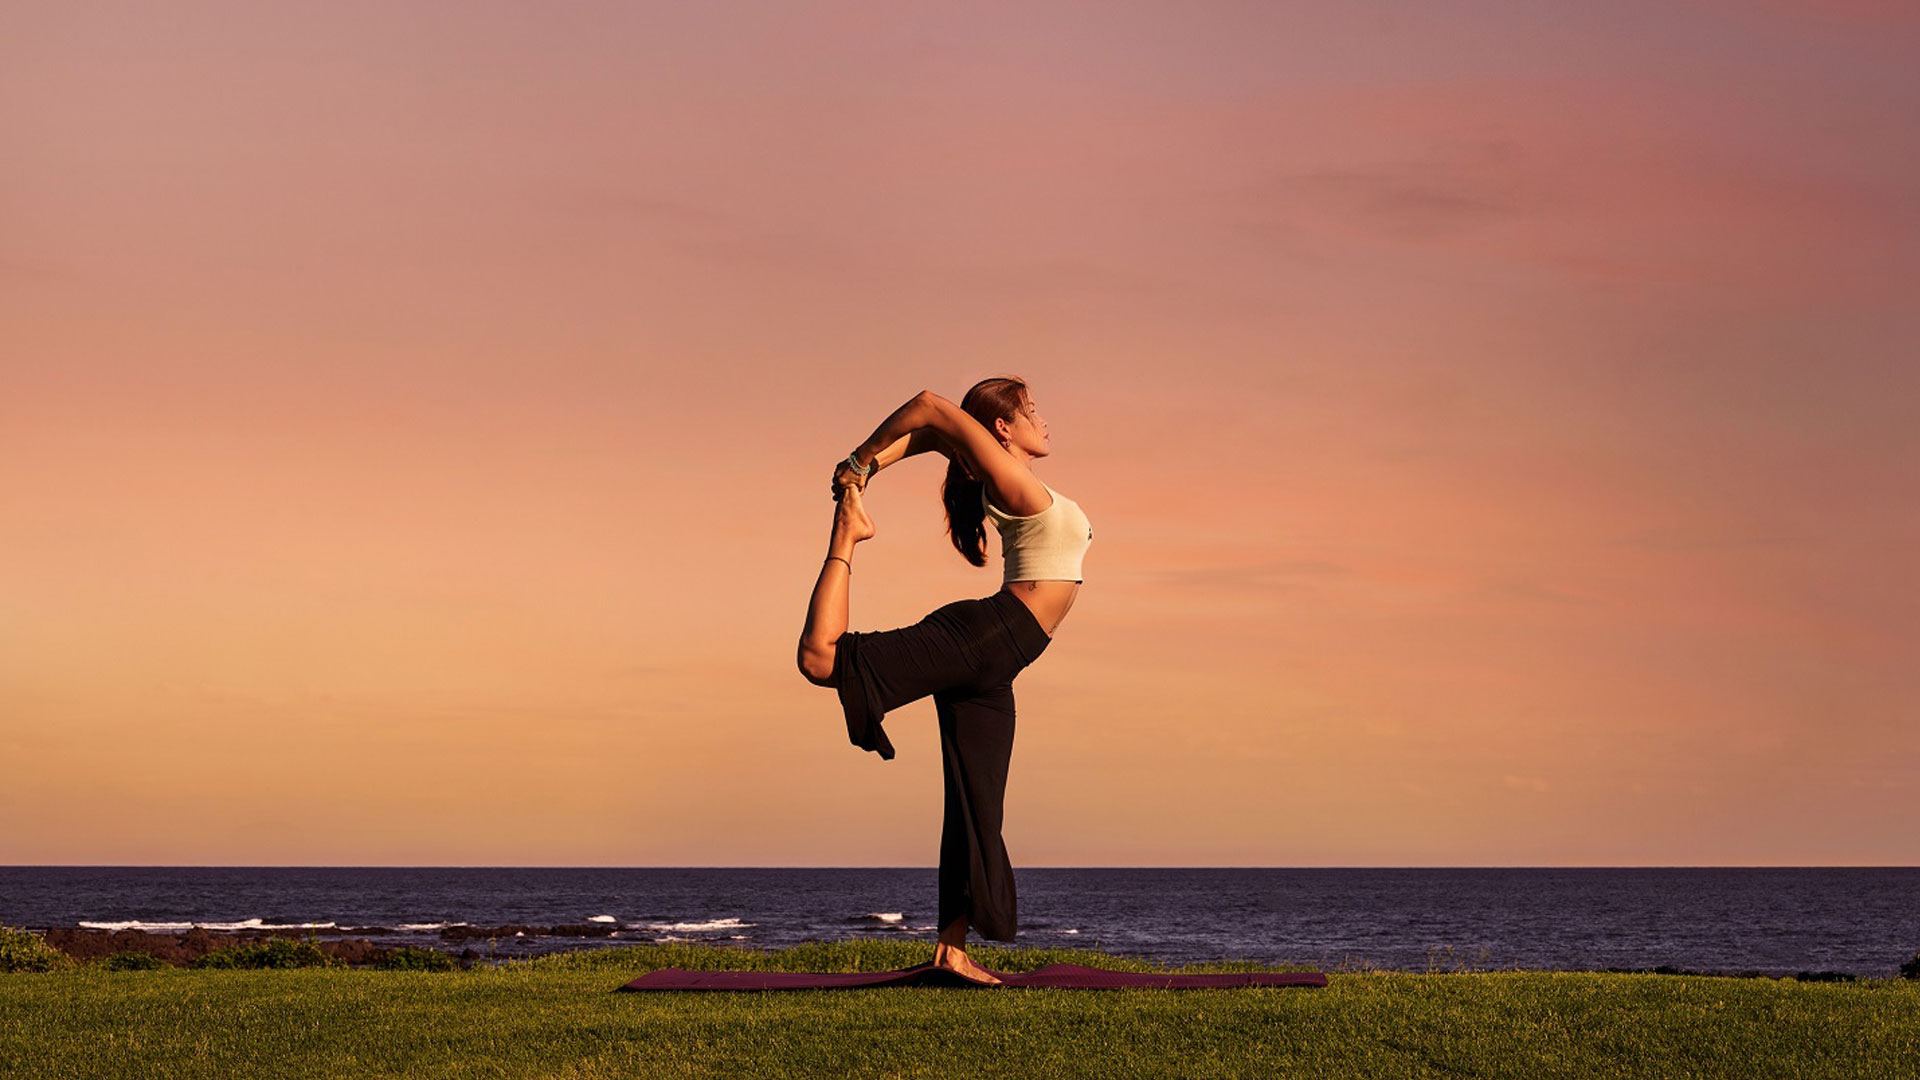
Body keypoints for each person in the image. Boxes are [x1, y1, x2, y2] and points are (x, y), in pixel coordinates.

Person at [796, 376, 1093, 985]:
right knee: (821, 660)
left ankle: (951, 951)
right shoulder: (1015, 485)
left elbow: (932, 437)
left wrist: (869, 468)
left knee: (973, 802)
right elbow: (931, 409)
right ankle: (845, 540)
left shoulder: (1009, 479)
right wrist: (858, 462)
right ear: (1002, 430)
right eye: (1029, 411)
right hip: (985, 637)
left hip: (998, 659)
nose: (1043, 419)